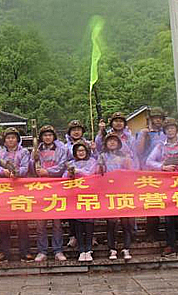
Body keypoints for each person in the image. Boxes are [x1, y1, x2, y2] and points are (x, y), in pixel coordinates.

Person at [145, 117, 178, 256]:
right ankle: (170, 244)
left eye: (172, 128)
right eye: (167, 129)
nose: (170, 131)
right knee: (168, 215)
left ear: (177, 130)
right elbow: (149, 161)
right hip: (167, 184)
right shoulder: (160, 146)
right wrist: (163, 167)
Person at [0, 127, 33, 262]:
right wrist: (3, 172)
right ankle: (3, 251)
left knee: (22, 223)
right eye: (8, 138)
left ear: (17, 139)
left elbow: (25, 167)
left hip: (20, 190)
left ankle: (25, 251)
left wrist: (17, 173)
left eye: (13, 137)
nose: (10, 140)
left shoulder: (24, 152)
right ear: (5, 140)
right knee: (3, 223)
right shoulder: (0, 153)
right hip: (4, 191)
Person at [32, 125, 68, 262]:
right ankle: (42, 251)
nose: (47, 137)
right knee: (40, 223)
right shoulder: (37, 150)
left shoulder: (61, 149)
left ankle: (58, 250)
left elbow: (62, 166)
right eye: (45, 135)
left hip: (56, 187)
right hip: (40, 188)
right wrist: (32, 159)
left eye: (50, 135)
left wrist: (47, 171)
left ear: (54, 136)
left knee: (57, 222)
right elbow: (31, 169)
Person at [97, 132, 136, 260]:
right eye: (109, 140)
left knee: (126, 221)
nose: (112, 142)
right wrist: (100, 167)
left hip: (123, 191)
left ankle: (126, 247)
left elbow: (130, 172)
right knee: (111, 222)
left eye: (114, 140)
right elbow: (98, 173)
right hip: (109, 191)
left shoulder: (125, 156)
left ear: (119, 143)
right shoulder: (102, 156)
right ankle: (112, 248)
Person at [135, 107, 167, 242]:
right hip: (148, 171)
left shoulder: (167, 133)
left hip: (164, 171)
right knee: (151, 201)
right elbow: (138, 151)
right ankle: (151, 232)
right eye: (155, 118)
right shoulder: (143, 133)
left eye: (160, 118)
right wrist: (143, 135)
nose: (157, 120)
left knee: (166, 200)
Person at [64, 140, 98, 262]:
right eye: (78, 150)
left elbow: (91, 174)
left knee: (89, 224)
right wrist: (69, 174)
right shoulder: (71, 163)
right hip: (76, 196)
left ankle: (88, 250)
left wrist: (78, 171)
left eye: (83, 150)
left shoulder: (92, 161)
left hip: (89, 195)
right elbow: (64, 177)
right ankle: (81, 250)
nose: (81, 152)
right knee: (78, 224)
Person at [62, 119, 93, 250]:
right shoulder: (65, 147)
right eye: (73, 130)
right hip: (72, 181)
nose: (76, 132)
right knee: (72, 209)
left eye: (78, 130)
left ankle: (90, 237)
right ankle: (73, 235)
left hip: (87, 184)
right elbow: (64, 162)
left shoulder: (89, 144)